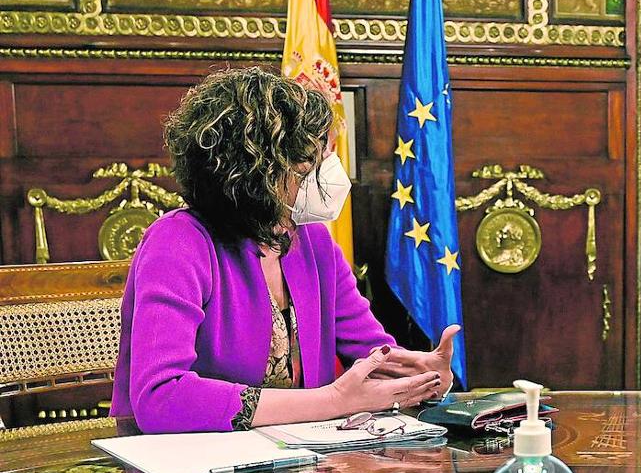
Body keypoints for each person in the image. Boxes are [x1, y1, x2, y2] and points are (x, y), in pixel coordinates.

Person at [112, 67, 459, 433]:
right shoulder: (177, 243)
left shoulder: (314, 242)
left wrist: (423, 377)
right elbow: (161, 398)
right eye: (313, 159)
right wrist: (332, 401)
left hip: (299, 467)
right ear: (258, 170)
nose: (329, 172)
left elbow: (373, 357)